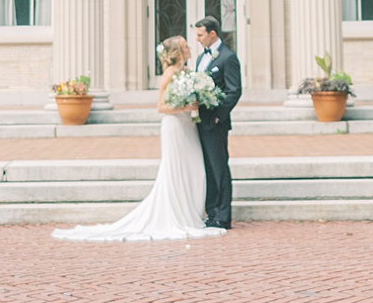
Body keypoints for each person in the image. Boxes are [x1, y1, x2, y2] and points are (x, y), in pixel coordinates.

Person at [51, 37, 225, 242]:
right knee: (176, 168)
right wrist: (186, 108)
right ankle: (178, 215)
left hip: (188, 127)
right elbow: (160, 107)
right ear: (178, 52)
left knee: (194, 168)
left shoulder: (187, 73)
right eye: (186, 46)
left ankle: (193, 212)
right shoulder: (169, 74)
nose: (189, 48)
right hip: (175, 126)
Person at [190, 14, 241, 229]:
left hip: (216, 122)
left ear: (212, 33)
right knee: (208, 168)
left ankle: (223, 215)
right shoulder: (201, 58)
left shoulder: (228, 57)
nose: (198, 39)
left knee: (219, 167)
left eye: (201, 35)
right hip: (200, 121)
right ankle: (211, 212)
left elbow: (234, 90)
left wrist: (220, 114)